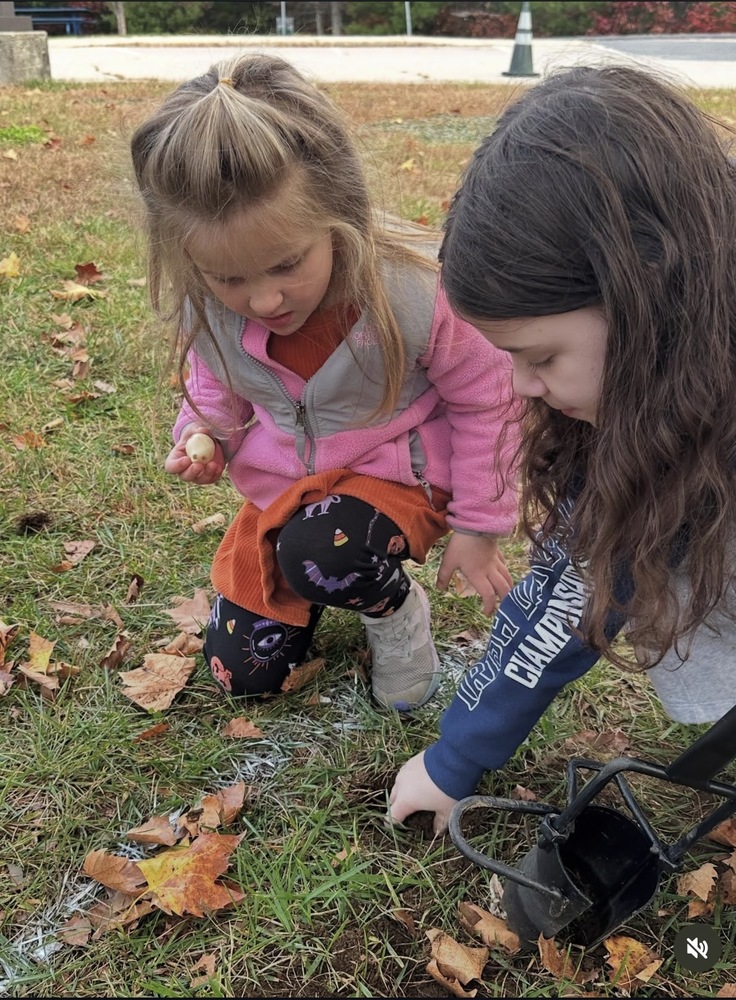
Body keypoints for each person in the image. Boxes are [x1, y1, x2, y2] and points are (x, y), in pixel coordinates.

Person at [388, 64, 736, 830]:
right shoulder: (673, 397)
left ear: (649, 294)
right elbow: (571, 591)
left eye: (541, 359)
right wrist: (457, 756)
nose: (520, 387)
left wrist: (452, 761)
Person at [130, 54, 518, 710]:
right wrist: (205, 432)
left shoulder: (414, 292)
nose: (262, 299)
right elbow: (217, 381)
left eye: (286, 264)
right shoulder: (212, 306)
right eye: (229, 279)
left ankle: (395, 616)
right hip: (288, 490)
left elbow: (489, 397)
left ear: (338, 216)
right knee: (244, 675)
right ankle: (309, 573)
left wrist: (481, 525)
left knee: (327, 549)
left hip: (401, 479)